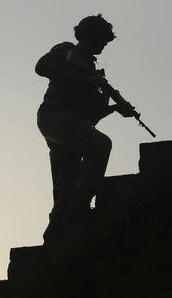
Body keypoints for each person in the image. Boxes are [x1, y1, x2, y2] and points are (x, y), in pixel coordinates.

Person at [35, 13, 134, 245]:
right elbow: (42, 66)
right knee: (101, 145)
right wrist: (88, 81)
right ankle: (80, 209)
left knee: (64, 191)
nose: (103, 44)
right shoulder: (67, 50)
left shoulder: (93, 70)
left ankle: (55, 241)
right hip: (54, 118)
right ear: (89, 35)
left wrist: (115, 109)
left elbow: (91, 115)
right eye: (101, 39)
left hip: (72, 126)